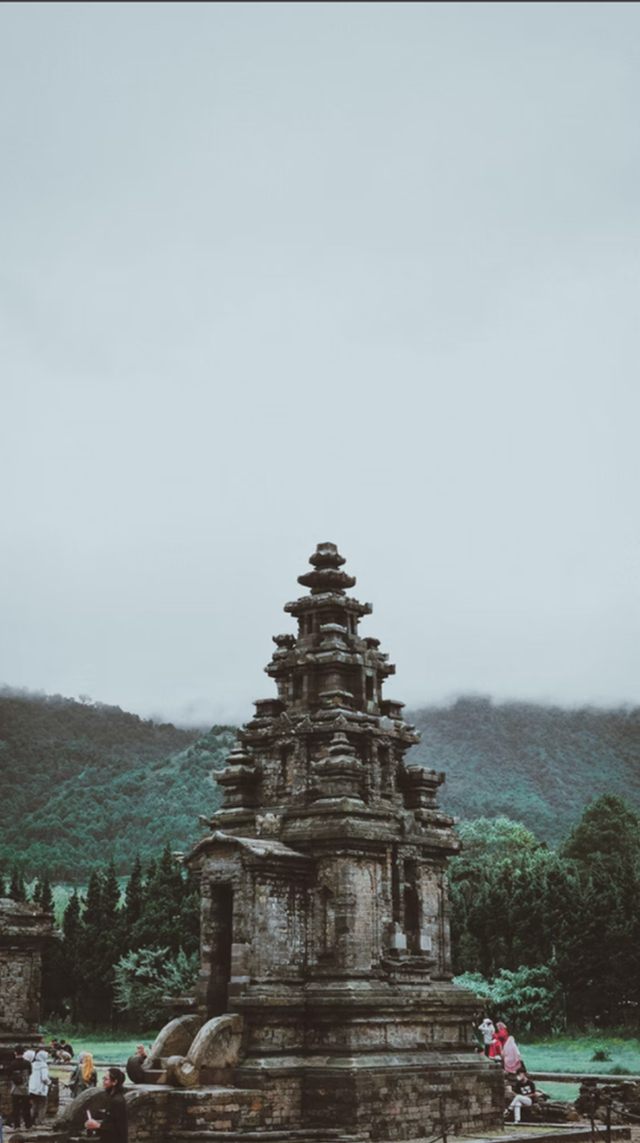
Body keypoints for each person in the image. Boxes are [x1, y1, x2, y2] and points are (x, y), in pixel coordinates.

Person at [86, 1067, 128, 1142]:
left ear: (114, 1082)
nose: (103, 1082)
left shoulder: (118, 1101)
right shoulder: (112, 1098)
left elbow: (118, 1128)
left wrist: (98, 1125)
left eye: (106, 1079)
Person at [9, 1047, 32, 1130]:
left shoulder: (12, 1063)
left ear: (15, 1053)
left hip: (15, 1089)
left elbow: (9, 1075)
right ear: (23, 1053)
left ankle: (17, 1125)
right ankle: (28, 1124)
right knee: (26, 1107)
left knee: (16, 1108)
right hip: (25, 1089)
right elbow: (30, 1073)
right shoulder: (27, 1063)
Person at [29, 1048, 51, 1125]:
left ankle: (30, 1120)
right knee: (42, 1105)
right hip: (41, 1089)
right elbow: (44, 1078)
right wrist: (49, 1082)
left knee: (34, 1105)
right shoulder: (44, 1066)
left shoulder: (32, 1065)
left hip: (32, 1088)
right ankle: (39, 1121)